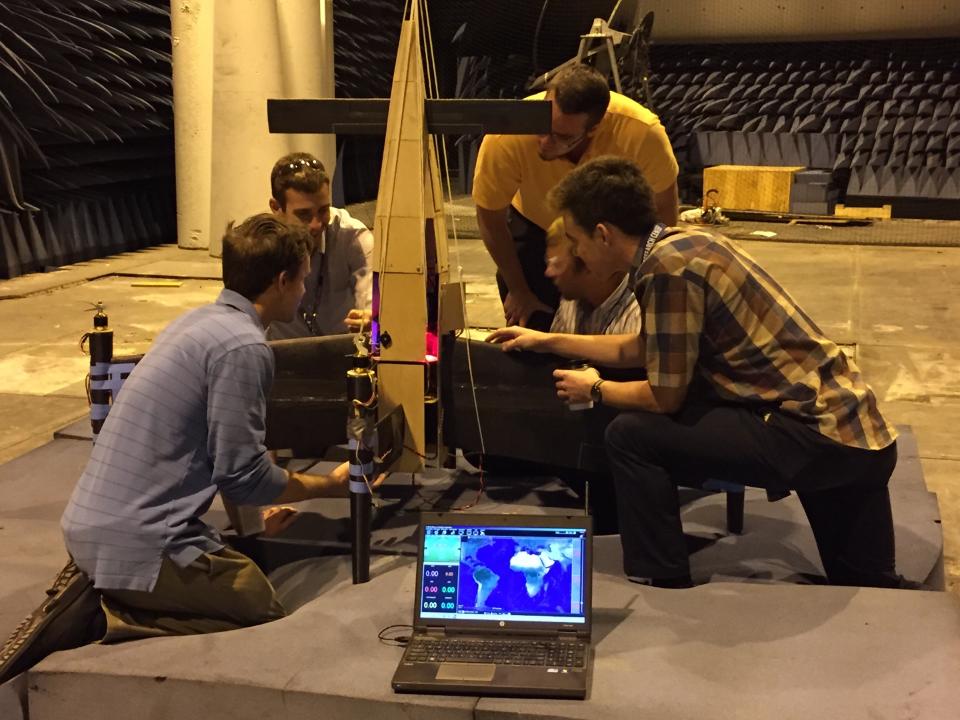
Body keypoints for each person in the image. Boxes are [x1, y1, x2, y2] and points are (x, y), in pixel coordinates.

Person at [489, 156, 907, 590]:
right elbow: (642, 344)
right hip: (859, 433)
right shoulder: (686, 244)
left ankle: (661, 576)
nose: (573, 253)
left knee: (631, 435)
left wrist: (594, 388)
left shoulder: (667, 271)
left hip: (809, 436)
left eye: (575, 240)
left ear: (603, 234)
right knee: (873, 589)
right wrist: (546, 341)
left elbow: (663, 398)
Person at [0, 215, 380, 684]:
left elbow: (221, 460)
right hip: (136, 543)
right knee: (258, 602)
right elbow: (243, 476)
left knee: (232, 559)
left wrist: (256, 522)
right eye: (302, 279)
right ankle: (110, 616)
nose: (304, 291)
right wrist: (333, 485)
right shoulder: (244, 348)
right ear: (282, 281)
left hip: (88, 527)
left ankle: (114, 584)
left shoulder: (196, 322)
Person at [473, 63, 678, 330]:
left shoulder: (641, 132)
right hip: (536, 226)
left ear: (593, 129)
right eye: (542, 126)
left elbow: (663, 212)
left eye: (562, 136)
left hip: (608, 232)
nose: (545, 142)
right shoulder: (507, 134)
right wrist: (518, 290)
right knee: (533, 330)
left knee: (624, 332)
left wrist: (652, 284)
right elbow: (490, 218)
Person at [267, 152, 374, 338]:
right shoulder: (259, 244)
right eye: (304, 214)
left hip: (343, 355)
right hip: (282, 357)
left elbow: (375, 307)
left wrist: (372, 318)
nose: (316, 224)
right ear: (276, 208)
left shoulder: (352, 237)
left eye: (323, 210)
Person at [545, 216, 639, 336]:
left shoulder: (637, 313)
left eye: (557, 264)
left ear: (589, 264)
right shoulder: (572, 298)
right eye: (548, 262)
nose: (548, 273)